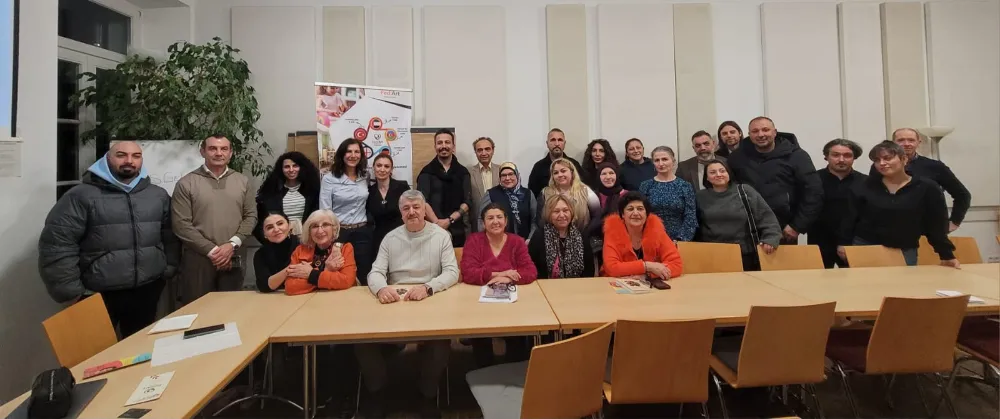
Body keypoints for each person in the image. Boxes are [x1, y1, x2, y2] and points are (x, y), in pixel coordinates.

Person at [38, 140, 178, 338]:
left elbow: (170, 235)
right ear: (107, 158)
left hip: (146, 290)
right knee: (96, 353)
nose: (129, 161)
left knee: (140, 350)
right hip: (96, 294)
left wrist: (168, 268)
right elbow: (57, 245)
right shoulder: (80, 196)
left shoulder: (157, 195)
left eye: (136, 156)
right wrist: (71, 292)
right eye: (121, 155)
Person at [356, 190, 459, 418]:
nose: (412, 212)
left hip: (430, 297)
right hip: (395, 301)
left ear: (425, 210)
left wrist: (428, 287)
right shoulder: (390, 238)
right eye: (406, 208)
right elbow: (375, 272)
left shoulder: (441, 236)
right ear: (401, 213)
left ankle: (428, 394)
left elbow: (452, 272)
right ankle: (377, 391)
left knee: (441, 343)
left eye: (416, 207)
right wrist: (381, 288)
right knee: (362, 342)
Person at [841, 141, 959, 268]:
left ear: (904, 159)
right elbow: (849, 219)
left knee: (904, 281)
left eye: (887, 158)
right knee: (864, 281)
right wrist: (842, 244)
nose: (882, 163)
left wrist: (947, 255)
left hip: (905, 248)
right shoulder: (863, 186)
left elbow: (936, 225)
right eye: (877, 160)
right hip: (865, 246)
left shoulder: (927, 187)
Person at [172, 134, 257, 305]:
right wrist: (213, 251)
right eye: (212, 148)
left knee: (231, 308)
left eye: (224, 149)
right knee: (198, 309)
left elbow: (251, 216)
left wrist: (231, 245)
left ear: (230, 153)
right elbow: (181, 225)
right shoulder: (186, 183)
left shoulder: (242, 181)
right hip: (199, 259)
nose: (219, 153)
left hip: (233, 256)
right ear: (202, 152)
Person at [461, 204, 538, 367]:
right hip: (479, 304)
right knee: (480, 336)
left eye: (499, 217)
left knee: (517, 337)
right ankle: (483, 370)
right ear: (483, 223)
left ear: (506, 221)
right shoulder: (474, 241)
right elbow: (468, 273)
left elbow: (530, 271)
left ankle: (515, 370)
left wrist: (509, 279)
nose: (495, 221)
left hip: (513, 304)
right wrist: (500, 274)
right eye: (490, 218)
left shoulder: (517, 242)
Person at [727, 117, 823, 245]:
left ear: (775, 132)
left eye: (765, 130)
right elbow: (729, 190)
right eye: (755, 131)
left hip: (785, 229)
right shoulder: (736, 158)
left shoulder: (797, 156)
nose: (760, 134)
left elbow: (813, 192)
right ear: (749, 134)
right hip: (747, 229)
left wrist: (797, 226)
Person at [869, 128, 972, 232]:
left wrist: (955, 222)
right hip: (890, 227)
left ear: (918, 143)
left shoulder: (935, 166)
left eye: (911, 140)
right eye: (901, 140)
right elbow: (873, 194)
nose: (906, 144)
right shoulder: (881, 166)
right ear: (893, 143)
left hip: (927, 229)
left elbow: (962, 194)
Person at [696, 159, 782, 271]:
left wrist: (770, 239)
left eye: (722, 171)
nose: (718, 174)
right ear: (707, 178)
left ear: (729, 173)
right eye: (712, 172)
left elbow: (767, 218)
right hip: (713, 253)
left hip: (745, 254)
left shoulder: (745, 191)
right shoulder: (700, 197)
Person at [320, 139, 373, 284]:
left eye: (357, 152)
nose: (353, 155)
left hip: (362, 231)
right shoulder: (329, 178)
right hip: (339, 232)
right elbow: (325, 210)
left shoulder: (365, 176)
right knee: (340, 274)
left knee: (365, 273)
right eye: (349, 151)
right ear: (342, 154)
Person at [809, 139, 867, 268]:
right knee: (818, 278)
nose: (841, 160)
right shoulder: (813, 180)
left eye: (847, 155)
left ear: (854, 158)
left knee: (855, 278)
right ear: (826, 157)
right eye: (835, 155)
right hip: (819, 239)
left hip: (854, 240)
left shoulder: (866, 182)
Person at [601, 192, 684, 280]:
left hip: (648, 284)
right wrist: (647, 266)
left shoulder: (657, 230)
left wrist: (647, 275)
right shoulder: (612, 231)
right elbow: (612, 268)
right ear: (623, 214)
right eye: (630, 209)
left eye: (640, 209)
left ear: (646, 214)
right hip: (615, 283)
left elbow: (676, 264)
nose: (635, 213)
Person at [417, 128, 473, 247]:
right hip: (432, 230)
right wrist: (437, 223)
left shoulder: (463, 172)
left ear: (453, 146)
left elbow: (467, 201)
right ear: (435, 146)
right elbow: (422, 201)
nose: (443, 146)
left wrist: (450, 220)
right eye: (439, 143)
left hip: (459, 231)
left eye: (447, 142)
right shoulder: (426, 172)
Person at [284, 210, 357, 295]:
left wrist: (311, 274)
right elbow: (290, 286)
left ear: (334, 229)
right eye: (315, 226)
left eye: (325, 225)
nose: (320, 231)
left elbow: (346, 280)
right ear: (309, 231)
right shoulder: (300, 250)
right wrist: (325, 270)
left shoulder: (345, 248)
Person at [254, 151, 320, 242]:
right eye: (287, 167)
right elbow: (260, 222)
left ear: (302, 168)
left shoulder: (312, 191)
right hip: (280, 241)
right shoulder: (271, 193)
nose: (291, 170)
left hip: (307, 239)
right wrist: (268, 241)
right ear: (281, 169)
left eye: (295, 166)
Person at [528, 194, 596, 279]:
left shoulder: (581, 235)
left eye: (565, 210)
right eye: (556, 211)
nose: (562, 215)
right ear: (549, 214)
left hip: (577, 285)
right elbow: (531, 266)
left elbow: (589, 269)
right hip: (547, 285)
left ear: (571, 212)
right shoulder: (539, 236)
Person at [639, 146, 698, 242]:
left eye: (665, 159)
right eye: (657, 160)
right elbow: (641, 214)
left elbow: (690, 216)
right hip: (651, 237)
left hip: (679, 239)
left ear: (673, 161)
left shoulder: (685, 186)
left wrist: (681, 239)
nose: (661, 163)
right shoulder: (645, 185)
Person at [538, 158, 601, 232]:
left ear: (572, 172)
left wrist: (586, 233)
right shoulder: (545, 193)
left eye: (563, 171)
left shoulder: (586, 191)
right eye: (555, 173)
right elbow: (540, 220)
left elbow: (597, 216)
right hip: (552, 236)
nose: (560, 175)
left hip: (583, 235)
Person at [479, 162, 537, 240]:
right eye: (503, 175)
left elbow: (535, 220)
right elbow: (481, 219)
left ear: (517, 175)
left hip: (525, 242)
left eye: (511, 174)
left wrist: (530, 239)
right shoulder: (491, 194)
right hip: (499, 242)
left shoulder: (528, 194)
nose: (507, 178)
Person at [367, 153, 409, 249]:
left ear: (391, 169)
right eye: (379, 165)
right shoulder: (369, 192)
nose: (382, 169)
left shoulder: (402, 187)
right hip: (378, 242)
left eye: (386, 166)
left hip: (401, 239)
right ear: (373, 168)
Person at [527, 128, 584, 196]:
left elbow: (582, 188)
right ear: (547, 144)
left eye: (560, 140)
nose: (557, 144)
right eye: (553, 140)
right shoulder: (538, 167)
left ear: (564, 143)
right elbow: (533, 194)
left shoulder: (574, 164)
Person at [254, 213, 300, 293]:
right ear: (264, 234)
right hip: (275, 296)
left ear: (289, 225)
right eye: (269, 227)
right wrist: (290, 269)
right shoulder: (260, 254)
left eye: (280, 223)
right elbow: (264, 286)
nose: (276, 229)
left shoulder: (303, 245)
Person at [466, 137, 500, 233]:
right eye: (480, 150)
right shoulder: (468, 173)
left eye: (487, 149)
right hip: (476, 226)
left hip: (499, 224)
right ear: (475, 152)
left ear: (493, 150)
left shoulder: (502, 171)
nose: (484, 153)